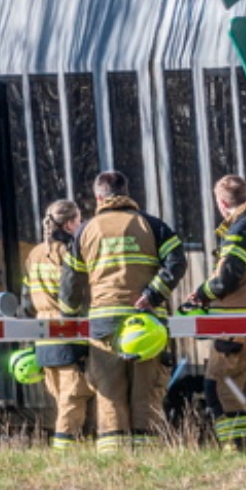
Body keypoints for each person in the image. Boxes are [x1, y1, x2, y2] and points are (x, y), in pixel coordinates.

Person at [61, 171, 186, 452]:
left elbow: (71, 281)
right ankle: (148, 453)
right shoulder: (152, 225)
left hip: (103, 322)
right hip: (147, 322)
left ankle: (114, 456)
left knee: (109, 390)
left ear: (98, 197)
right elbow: (177, 262)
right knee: (147, 389)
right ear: (127, 191)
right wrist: (152, 295)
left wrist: (69, 317)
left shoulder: (86, 230)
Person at [186, 175, 246, 451]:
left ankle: (235, 447)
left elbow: (227, 278)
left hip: (234, 326)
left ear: (222, 202)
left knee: (220, 390)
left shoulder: (240, 228)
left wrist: (201, 294)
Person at [20, 199, 90, 450]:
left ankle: (68, 449)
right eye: (79, 220)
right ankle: (63, 454)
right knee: (73, 400)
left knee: (62, 400)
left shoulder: (34, 254)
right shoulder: (71, 252)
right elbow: (79, 292)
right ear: (71, 223)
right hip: (70, 336)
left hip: (44, 338)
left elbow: (25, 303)